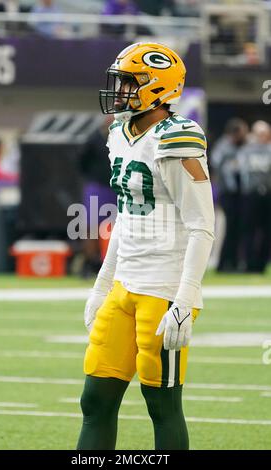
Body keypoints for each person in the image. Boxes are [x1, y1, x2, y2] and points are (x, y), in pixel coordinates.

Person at [76, 42, 215, 450]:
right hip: (124, 286)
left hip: (162, 289)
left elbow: (201, 224)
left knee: (162, 404)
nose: (119, 91)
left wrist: (185, 297)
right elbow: (126, 216)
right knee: (95, 400)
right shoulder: (120, 132)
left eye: (129, 83)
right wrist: (103, 285)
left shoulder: (177, 136)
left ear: (157, 87)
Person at [79, 116, 117, 277]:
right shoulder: (94, 138)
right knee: (91, 225)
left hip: (117, 186)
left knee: (120, 226)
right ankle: (90, 262)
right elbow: (81, 161)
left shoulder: (124, 138)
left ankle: (115, 263)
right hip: (98, 185)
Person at [211, 118, 248, 272]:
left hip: (238, 193)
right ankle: (223, 263)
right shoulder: (224, 146)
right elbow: (216, 164)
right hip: (227, 193)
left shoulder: (241, 146)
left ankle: (233, 262)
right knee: (228, 228)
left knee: (236, 228)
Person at [238, 120, 271, 272]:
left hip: (267, 194)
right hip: (250, 194)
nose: (262, 137)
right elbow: (241, 170)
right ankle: (249, 262)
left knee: (266, 230)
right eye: (260, 134)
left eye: (265, 134)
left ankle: (262, 263)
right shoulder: (246, 150)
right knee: (249, 230)